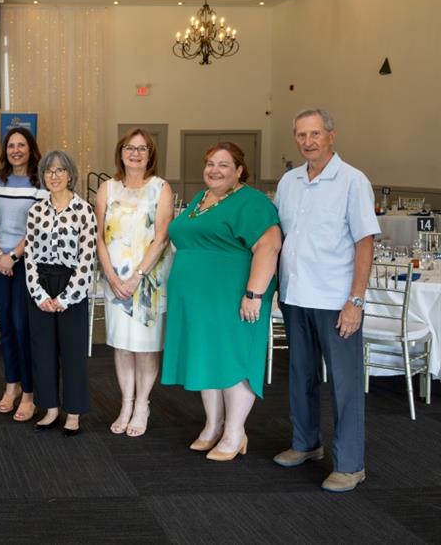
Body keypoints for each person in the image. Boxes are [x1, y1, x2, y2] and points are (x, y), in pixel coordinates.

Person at [273, 108, 379, 493]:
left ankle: (351, 465)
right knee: (299, 377)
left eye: (315, 134)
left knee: (344, 385)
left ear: (331, 136)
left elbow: (364, 242)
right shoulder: (288, 182)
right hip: (296, 296)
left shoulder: (352, 181)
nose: (308, 141)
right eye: (301, 135)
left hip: (336, 300)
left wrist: (356, 301)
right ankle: (306, 443)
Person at [161, 142, 281, 461]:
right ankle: (213, 425)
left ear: (240, 170)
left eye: (224, 165)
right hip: (199, 300)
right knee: (207, 357)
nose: (214, 170)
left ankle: (235, 432)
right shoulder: (202, 199)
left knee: (233, 358)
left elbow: (269, 246)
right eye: (210, 163)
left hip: (234, 296)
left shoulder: (252, 202)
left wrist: (254, 293)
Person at [96, 129, 173, 437]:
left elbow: (162, 236)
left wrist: (137, 276)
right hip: (114, 282)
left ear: (150, 154)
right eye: (130, 147)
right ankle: (125, 403)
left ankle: (142, 404)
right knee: (122, 346)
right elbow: (99, 237)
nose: (136, 153)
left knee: (145, 347)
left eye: (142, 148)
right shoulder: (108, 188)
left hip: (148, 282)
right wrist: (113, 277)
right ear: (121, 152)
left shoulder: (160, 188)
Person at [25, 150, 97, 436]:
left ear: (70, 174)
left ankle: (74, 412)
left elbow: (87, 258)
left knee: (72, 351)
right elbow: (29, 254)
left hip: (72, 287)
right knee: (42, 350)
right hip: (41, 283)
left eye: (60, 170)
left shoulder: (83, 210)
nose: (54, 176)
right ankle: (50, 408)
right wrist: (39, 294)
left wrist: (67, 297)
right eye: (48, 171)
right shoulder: (36, 210)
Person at [0, 126, 45, 422]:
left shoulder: (41, 184)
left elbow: (41, 227)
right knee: (5, 325)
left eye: (22, 145)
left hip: (26, 264)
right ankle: (12, 386)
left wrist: (13, 256)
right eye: (11, 146)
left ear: (31, 149)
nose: (16, 150)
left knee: (23, 327)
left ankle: (30, 393)